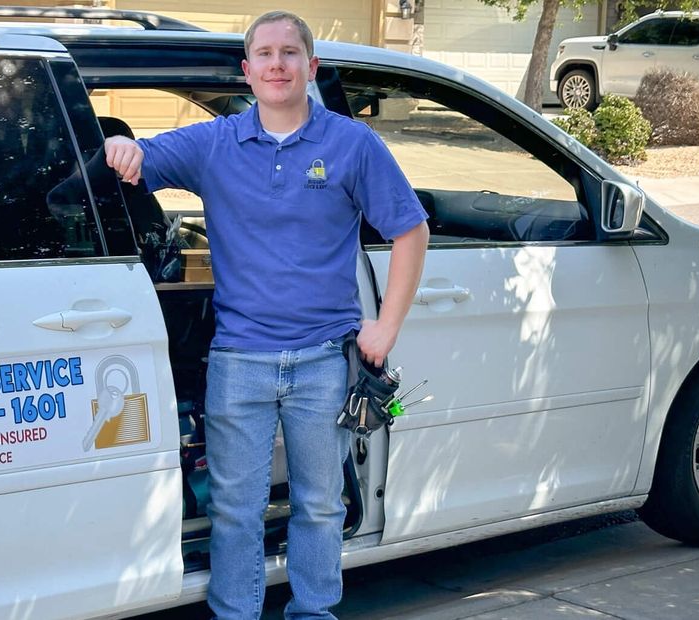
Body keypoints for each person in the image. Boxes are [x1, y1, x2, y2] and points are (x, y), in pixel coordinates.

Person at [104, 11, 429, 619]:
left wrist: (385, 326)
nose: (277, 64)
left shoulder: (352, 144)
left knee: (321, 504)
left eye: (289, 53)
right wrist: (120, 145)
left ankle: (313, 611)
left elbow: (411, 229)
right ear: (246, 71)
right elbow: (138, 156)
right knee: (236, 507)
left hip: (323, 360)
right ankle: (237, 614)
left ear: (313, 66)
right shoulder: (215, 144)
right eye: (265, 54)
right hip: (239, 361)